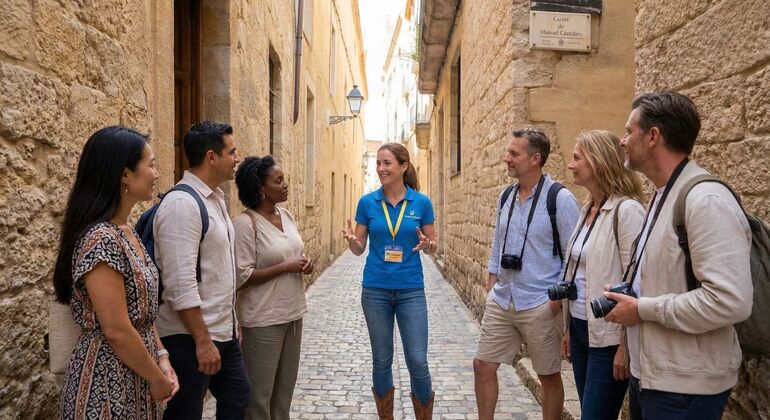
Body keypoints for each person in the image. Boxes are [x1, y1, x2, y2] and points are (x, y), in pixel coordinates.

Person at [606, 91, 752, 420]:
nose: (622, 141)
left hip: (685, 387)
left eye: (629, 131)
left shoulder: (706, 200)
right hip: (654, 377)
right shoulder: (662, 196)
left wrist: (641, 309)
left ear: (653, 136)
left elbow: (731, 301)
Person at [53, 126, 179, 419]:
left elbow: (142, 314)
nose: (156, 174)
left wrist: (161, 356)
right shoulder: (101, 239)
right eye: (151, 165)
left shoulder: (125, 231)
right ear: (125, 175)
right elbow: (117, 329)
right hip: (107, 382)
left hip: (137, 372)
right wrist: (156, 378)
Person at [473, 128, 580, 420]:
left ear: (535, 159)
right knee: (483, 365)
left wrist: (555, 302)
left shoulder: (560, 200)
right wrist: (492, 282)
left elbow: (573, 258)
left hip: (540, 302)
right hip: (503, 298)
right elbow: (498, 243)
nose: (505, 158)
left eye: (513, 153)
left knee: (548, 376)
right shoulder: (506, 196)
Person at [153, 121, 250, 419]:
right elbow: (179, 284)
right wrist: (203, 341)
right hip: (189, 336)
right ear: (211, 157)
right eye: (231, 152)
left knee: (238, 396)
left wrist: (232, 321)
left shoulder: (214, 199)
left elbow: (217, 270)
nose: (237, 158)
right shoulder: (182, 205)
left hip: (221, 331)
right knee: (186, 412)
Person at [342, 142, 437, 420]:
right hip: (375, 291)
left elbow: (434, 246)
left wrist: (427, 244)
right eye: (378, 163)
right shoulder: (367, 202)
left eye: (387, 163)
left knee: (417, 360)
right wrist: (352, 241)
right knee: (382, 360)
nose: (381, 168)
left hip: (411, 291)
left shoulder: (421, 202)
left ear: (403, 166)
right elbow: (359, 248)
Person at [556, 130, 645, 419]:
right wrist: (569, 329)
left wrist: (625, 346)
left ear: (598, 161)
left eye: (577, 158)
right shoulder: (587, 209)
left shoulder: (627, 211)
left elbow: (636, 282)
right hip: (581, 329)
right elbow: (578, 275)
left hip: (609, 338)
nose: (570, 165)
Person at [233, 155, 314, 419]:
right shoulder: (245, 225)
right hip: (262, 320)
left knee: (283, 396)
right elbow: (242, 277)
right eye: (278, 181)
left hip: (293, 315)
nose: (285, 185)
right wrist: (284, 267)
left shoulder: (286, 215)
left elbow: (293, 253)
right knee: (259, 398)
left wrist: (305, 264)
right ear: (260, 189)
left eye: (284, 179)